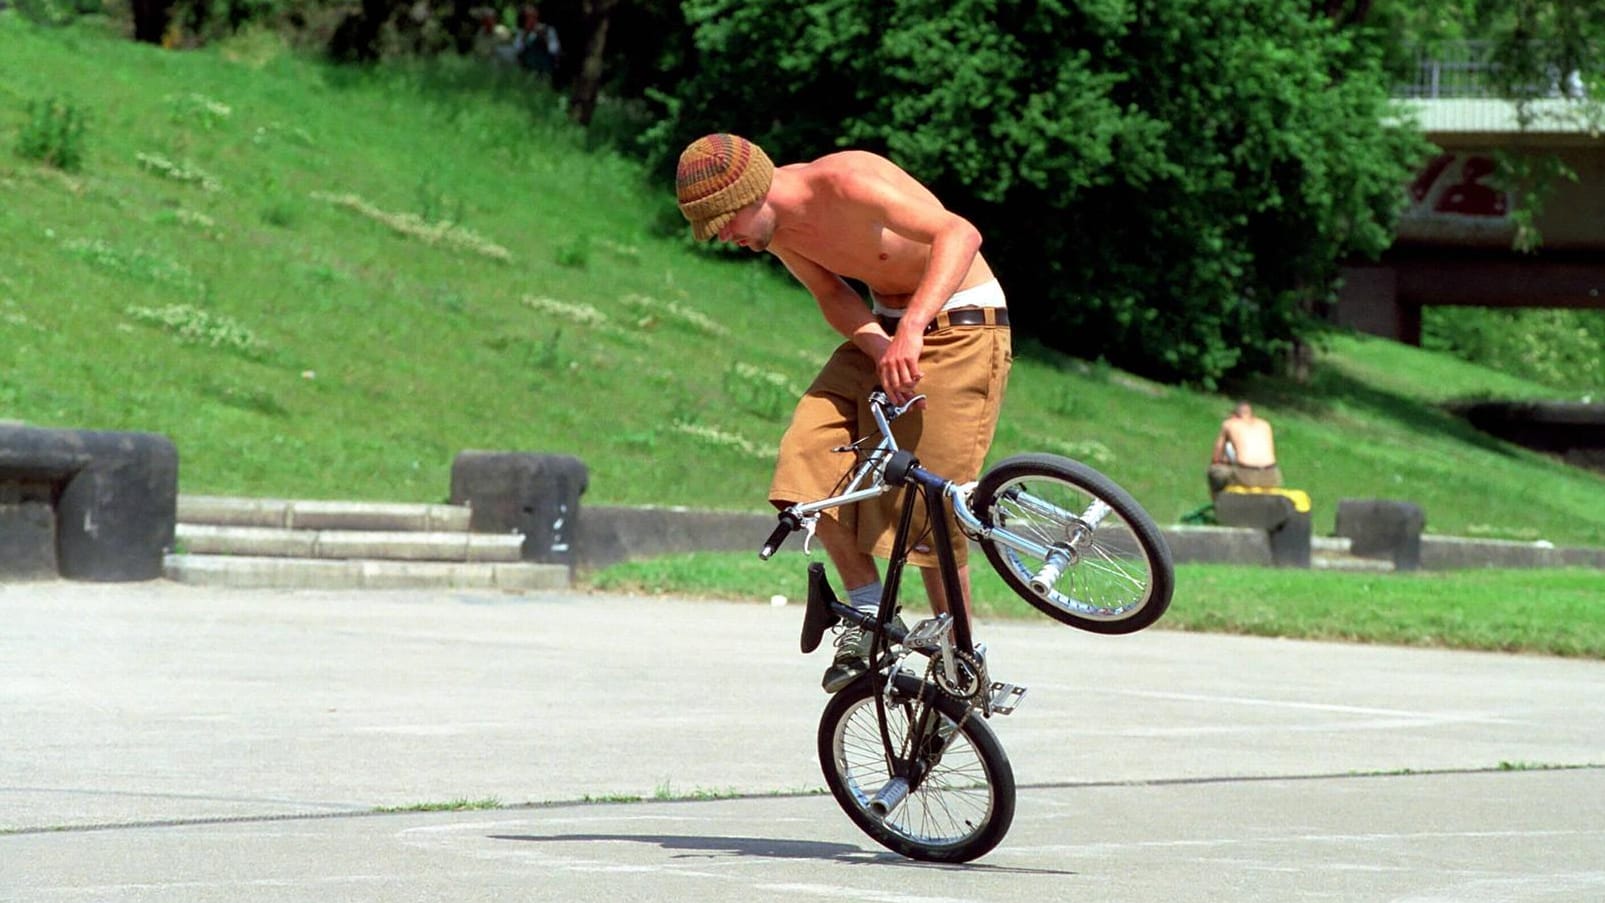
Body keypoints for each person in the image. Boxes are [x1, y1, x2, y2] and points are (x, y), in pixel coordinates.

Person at [675, 133, 1012, 693]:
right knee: (805, 461)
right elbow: (832, 295)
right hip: (885, 335)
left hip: (960, 326)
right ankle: (870, 613)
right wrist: (882, 346)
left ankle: (961, 662)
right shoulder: (777, 233)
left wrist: (909, 329)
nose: (727, 238)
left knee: (925, 507)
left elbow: (960, 232)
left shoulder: (848, 181)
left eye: (726, 222)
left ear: (754, 190)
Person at [1207, 402, 1282, 497]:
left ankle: (1219, 505)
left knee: (1215, 471)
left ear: (1234, 415)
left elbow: (1216, 458)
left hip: (1246, 474)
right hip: (1271, 475)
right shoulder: (1265, 425)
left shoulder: (1230, 424)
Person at [510, 4, 560, 75]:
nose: (531, 20)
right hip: (526, 71)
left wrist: (544, 38)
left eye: (533, 16)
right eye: (528, 17)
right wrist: (525, 34)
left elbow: (554, 50)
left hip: (544, 71)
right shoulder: (521, 33)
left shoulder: (547, 30)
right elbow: (517, 50)